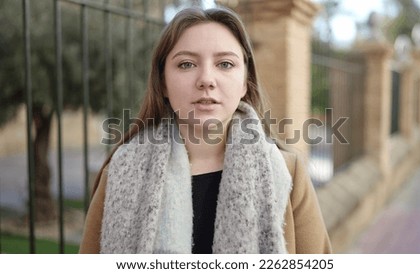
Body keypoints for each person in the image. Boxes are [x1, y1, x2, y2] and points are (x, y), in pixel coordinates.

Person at [79, 6, 331, 254]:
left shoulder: (288, 172)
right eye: (187, 64)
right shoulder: (120, 170)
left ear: (245, 82)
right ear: (163, 82)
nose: (206, 79)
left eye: (225, 64)